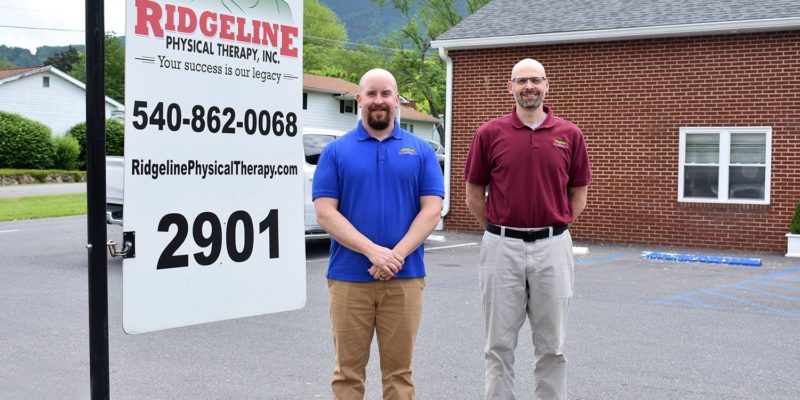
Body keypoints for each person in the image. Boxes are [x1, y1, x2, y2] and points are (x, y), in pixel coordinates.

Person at [312, 68, 445, 400]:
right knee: (347, 375)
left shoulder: (421, 151)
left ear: (397, 100)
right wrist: (374, 252)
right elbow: (325, 212)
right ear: (359, 100)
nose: (379, 100)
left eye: (386, 94)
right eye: (371, 94)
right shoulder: (336, 152)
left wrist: (394, 255)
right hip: (348, 279)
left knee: (399, 376)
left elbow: (431, 210)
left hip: (405, 278)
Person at [464, 58, 592, 400]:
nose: (529, 87)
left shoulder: (570, 135)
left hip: (552, 246)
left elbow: (578, 191)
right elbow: (474, 192)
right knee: (498, 345)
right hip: (501, 246)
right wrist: (496, 226)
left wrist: (558, 221)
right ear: (511, 88)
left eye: (535, 80)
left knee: (552, 346)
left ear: (547, 85)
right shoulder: (489, 133)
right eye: (521, 81)